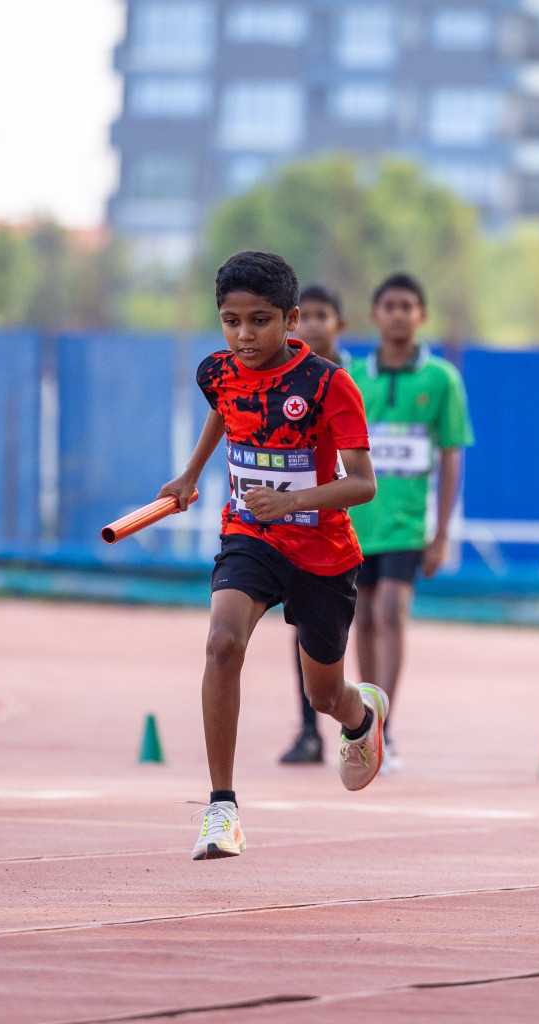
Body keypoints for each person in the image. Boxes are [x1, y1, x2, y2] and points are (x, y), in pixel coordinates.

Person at [159, 251, 386, 860]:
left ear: (290, 321)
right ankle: (221, 809)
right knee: (222, 642)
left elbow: (364, 483)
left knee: (322, 697)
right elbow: (224, 412)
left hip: (322, 552)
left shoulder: (328, 385)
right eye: (231, 321)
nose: (243, 335)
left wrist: (294, 501)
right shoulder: (220, 371)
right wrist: (189, 475)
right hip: (249, 537)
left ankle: (361, 719)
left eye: (259, 321)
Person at [346, 273, 474, 772]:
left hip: (406, 524)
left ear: (421, 316)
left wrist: (440, 534)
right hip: (356, 522)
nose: (398, 314)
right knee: (361, 616)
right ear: (374, 314)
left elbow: (451, 457)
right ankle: (363, 720)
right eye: (389, 305)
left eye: (408, 306)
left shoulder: (441, 379)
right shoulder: (353, 376)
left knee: (391, 610)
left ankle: (386, 724)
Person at [279, 284, 349, 765]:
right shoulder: (272, 380)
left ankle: (367, 716)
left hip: (343, 524)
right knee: (300, 629)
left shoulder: (347, 381)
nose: (314, 325)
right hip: (292, 524)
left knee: (359, 627)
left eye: (325, 315)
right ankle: (309, 732)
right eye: (309, 316)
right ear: (293, 321)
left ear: (338, 324)